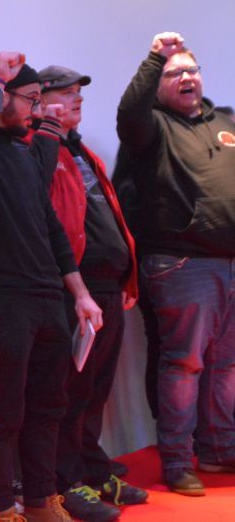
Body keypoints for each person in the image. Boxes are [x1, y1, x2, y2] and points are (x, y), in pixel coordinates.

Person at [0, 54, 103, 522]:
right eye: (30, 100)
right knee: (3, 412)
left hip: (45, 297)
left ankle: (40, 499)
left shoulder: (27, 153)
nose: (37, 110)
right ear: (0, 99)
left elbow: (51, 228)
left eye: (39, 101)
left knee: (48, 407)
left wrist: (79, 292)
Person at [116, 32, 235, 496]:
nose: (187, 77)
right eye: (174, 72)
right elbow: (128, 113)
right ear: (158, 84)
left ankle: (220, 450)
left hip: (230, 261)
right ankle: (178, 461)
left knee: (226, 366)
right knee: (184, 365)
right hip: (183, 264)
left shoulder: (224, 119)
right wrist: (153, 58)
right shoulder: (150, 129)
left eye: (192, 69)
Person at [33, 66, 147, 521]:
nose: (77, 98)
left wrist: (127, 277)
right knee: (70, 389)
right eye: (66, 91)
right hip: (72, 286)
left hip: (106, 285)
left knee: (96, 390)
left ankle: (92, 468)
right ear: (41, 101)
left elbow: (110, 216)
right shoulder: (40, 149)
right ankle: (65, 482)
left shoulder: (82, 150)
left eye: (79, 91)